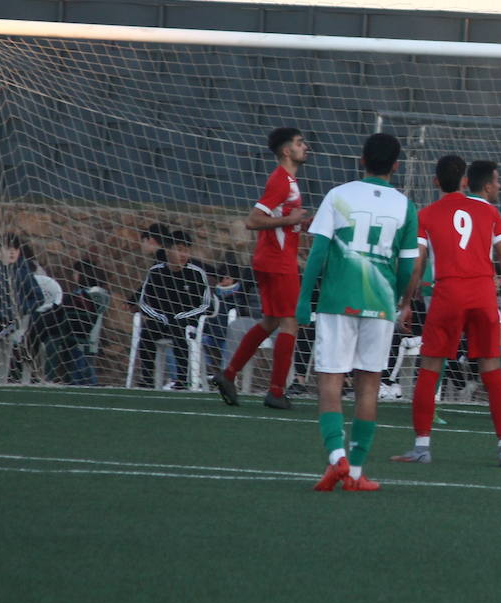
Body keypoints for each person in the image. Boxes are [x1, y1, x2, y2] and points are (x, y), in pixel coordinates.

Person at [300, 132, 418, 492]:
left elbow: (318, 252)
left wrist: (304, 299)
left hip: (337, 301)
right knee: (369, 386)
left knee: (331, 382)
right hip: (380, 306)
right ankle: (355, 473)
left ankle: (337, 458)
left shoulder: (338, 195)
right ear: (396, 166)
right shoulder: (405, 206)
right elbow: (408, 268)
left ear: (361, 160)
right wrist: (397, 299)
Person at [391, 157, 501, 467]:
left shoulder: (426, 215)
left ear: (436, 182)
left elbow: (418, 263)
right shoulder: (489, 212)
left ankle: (422, 446)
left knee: (430, 369)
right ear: (465, 181)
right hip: (482, 295)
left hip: (447, 295)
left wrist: (406, 302)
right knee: (491, 372)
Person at [212, 127, 310, 410]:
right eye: (300, 143)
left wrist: (299, 222)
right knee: (290, 322)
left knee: (271, 321)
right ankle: (276, 391)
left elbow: (281, 218)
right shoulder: (281, 180)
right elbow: (253, 221)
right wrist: (289, 220)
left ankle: (228, 374)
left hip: (270, 260)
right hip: (277, 263)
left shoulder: (288, 180)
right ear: (286, 151)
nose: (306, 147)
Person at [136, 229, 213, 390]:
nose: (183, 254)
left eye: (186, 250)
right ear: (168, 250)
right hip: (162, 321)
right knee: (147, 331)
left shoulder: (197, 274)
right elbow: (143, 303)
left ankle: (182, 379)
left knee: (179, 330)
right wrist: (161, 317)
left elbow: (206, 305)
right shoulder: (155, 272)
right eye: (179, 250)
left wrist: (181, 317)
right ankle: (148, 377)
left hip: (187, 323)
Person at [0, 234, 42, 381]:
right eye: (8, 248)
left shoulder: (24, 274)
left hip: (12, 322)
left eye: (15, 249)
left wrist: (21, 309)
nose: (12, 252)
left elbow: (38, 298)